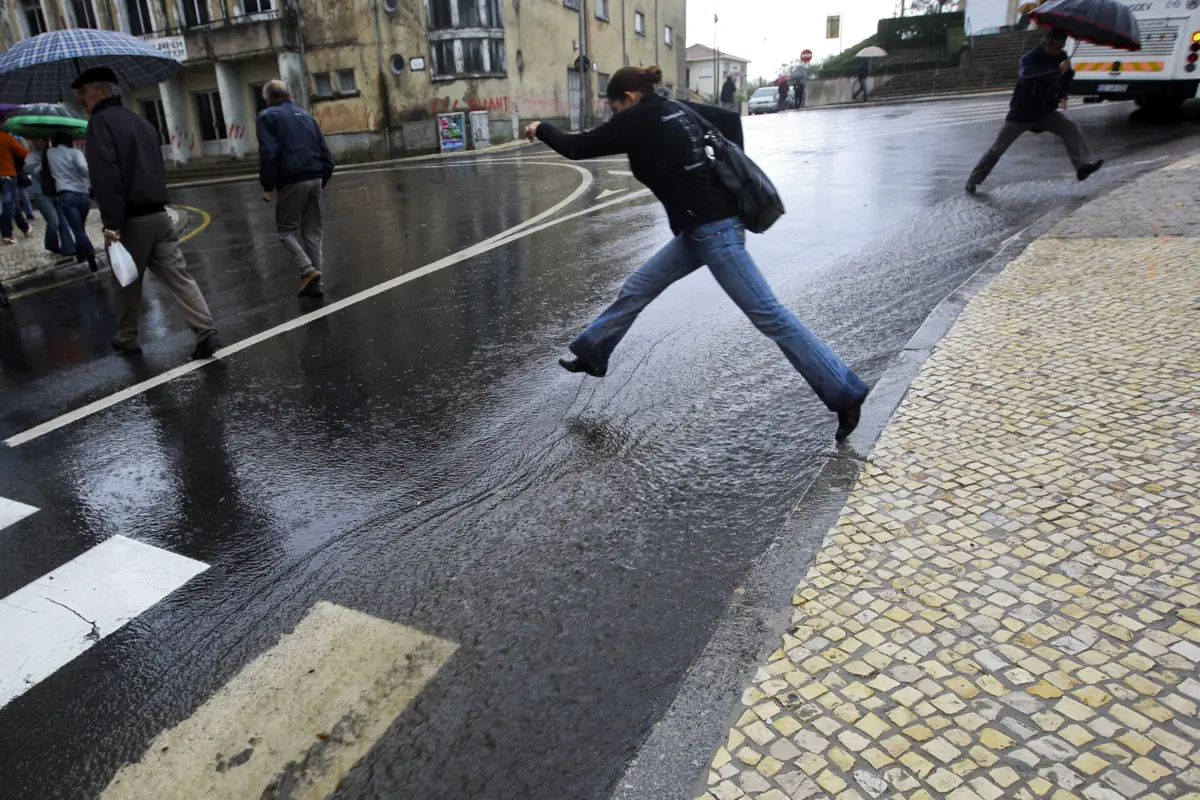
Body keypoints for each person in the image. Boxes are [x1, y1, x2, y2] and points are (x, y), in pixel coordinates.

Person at [523, 65, 869, 441]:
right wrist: (710, 176)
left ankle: (845, 391)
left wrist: (540, 129)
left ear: (628, 98)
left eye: (614, 107)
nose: (614, 116)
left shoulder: (637, 118)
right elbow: (729, 122)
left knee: (771, 316)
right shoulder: (678, 108)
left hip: (714, 231)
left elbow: (578, 147)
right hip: (701, 228)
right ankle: (592, 352)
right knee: (638, 287)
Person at [74, 67, 221, 359]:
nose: (80, 99)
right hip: (160, 214)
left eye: (83, 92)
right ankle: (205, 329)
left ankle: (128, 336)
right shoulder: (140, 121)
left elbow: (107, 177)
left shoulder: (100, 124)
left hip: (131, 218)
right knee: (178, 276)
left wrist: (112, 224)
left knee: (125, 278)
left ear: (101, 91)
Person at [966, 29, 1103, 194]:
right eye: (1057, 46)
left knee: (1070, 128)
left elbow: (1067, 77)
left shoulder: (1061, 57)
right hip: (1022, 113)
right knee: (997, 148)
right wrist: (1056, 70)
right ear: (1047, 44)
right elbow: (1029, 77)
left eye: (1062, 46)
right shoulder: (1029, 58)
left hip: (1045, 111)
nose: (1060, 50)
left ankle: (1082, 167)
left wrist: (1062, 95)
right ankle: (974, 179)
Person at [257, 78, 335, 298]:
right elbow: (326, 154)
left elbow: (269, 153)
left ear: (268, 98)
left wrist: (267, 185)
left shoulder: (268, 116)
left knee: (285, 231)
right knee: (312, 232)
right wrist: (321, 178)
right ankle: (315, 284)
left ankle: (307, 270)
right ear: (289, 95)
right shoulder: (307, 116)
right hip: (315, 176)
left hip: (292, 179)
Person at [47, 132, 97, 272]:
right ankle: (82, 254)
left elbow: (40, 169)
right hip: (83, 194)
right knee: (80, 226)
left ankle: (89, 250)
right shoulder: (76, 153)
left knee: (77, 228)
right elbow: (84, 168)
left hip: (65, 194)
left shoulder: (50, 153)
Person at [24, 138, 75, 258]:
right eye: (34, 140)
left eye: (39, 140)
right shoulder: (31, 156)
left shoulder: (52, 153)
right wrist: (44, 163)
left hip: (56, 191)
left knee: (63, 221)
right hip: (41, 193)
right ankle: (51, 244)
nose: (36, 142)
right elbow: (32, 172)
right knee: (54, 222)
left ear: (45, 141)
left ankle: (69, 248)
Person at [0, 130, 31, 244]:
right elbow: (23, 152)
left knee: (12, 203)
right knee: (9, 203)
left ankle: (24, 227)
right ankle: (7, 233)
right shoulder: (6, 137)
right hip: (7, 174)